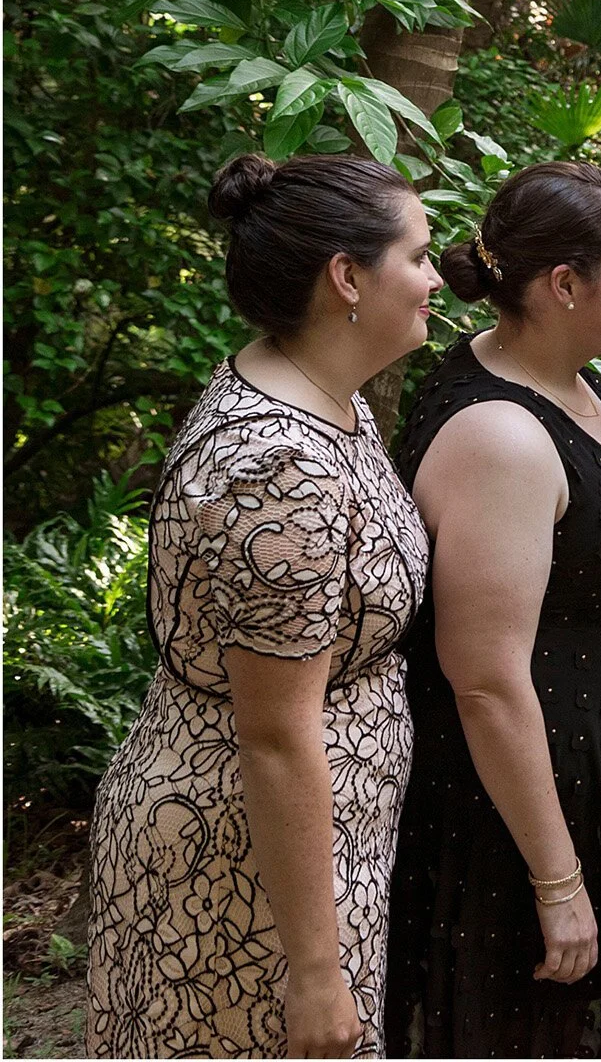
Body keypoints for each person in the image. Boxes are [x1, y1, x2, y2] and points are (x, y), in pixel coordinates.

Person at [87, 153, 439, 1058]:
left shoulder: (322, 398)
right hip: (244, 875)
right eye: (418, 256)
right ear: (347, 277)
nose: (437, 278)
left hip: (301, 859)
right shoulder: (279, 469)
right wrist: (315, 969)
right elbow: (275, 734)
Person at [387, 162, 601, 1056]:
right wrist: (557, 880)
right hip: (521, 817)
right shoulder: (502, 438)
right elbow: (484, 681)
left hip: (598, 770)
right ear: (565, 285)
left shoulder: (568, 378)